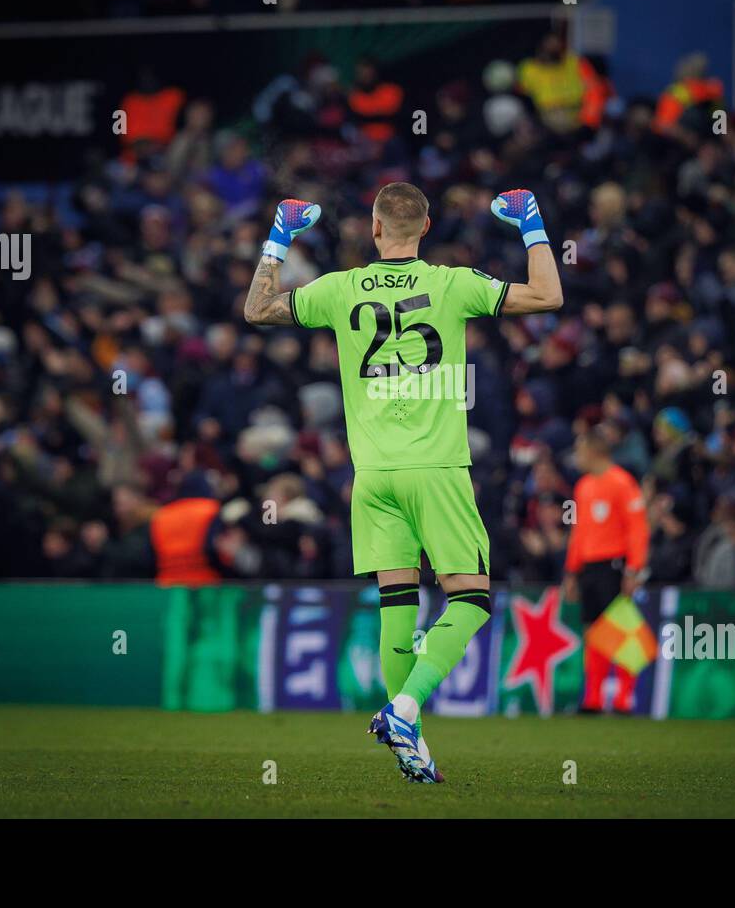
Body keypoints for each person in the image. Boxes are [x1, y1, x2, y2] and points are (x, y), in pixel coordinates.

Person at [243, 182, 562, 781]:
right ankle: (406, 708)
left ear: (374, 229)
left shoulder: (339, 289)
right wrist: (531, 224)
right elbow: (548, 293)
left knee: (398, 605)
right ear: (427, 226)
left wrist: (279, 236)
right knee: (470, 597)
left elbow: (257, 310)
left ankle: (408, 740)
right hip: (437, 470)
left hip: (372, 477)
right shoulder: (452, 283)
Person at [561, 428, 650, 713]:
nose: (577, 456)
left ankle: (624, 699)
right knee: (593, 631)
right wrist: (572, 571)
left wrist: (634, 569)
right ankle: (594, 699)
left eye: (580, 449)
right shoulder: (583, 486)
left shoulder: (622, 483)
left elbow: (637, 529)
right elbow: (579, 532)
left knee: (621, 631)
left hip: (614, 565)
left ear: (594, 451)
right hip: (589, 568)